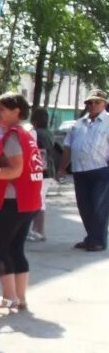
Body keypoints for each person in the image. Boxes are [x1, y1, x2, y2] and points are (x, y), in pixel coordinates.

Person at [0, 93, 44, 312]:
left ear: (16, 111)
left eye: (1, 110)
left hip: (12, 202)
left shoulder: (15, 136)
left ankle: (8, 297)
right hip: (28, 201)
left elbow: (14, 169)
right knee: (16, 248)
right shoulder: (25, 134)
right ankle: (20, 298)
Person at [58, 89, 109, 252]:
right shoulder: (78, 124)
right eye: (89, 102)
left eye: (97, 102)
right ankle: (91, 238)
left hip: (101, 171)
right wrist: (62, 168)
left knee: (99, 206)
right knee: (84, 207)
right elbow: (68, 147)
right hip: (80, 172)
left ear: (104, 104)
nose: (92, 105)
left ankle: (98, 241)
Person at [28, 107, 55, 241]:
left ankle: (39, 231)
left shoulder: (35, 133)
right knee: (40, 199)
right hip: (49, 170)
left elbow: (39, 153)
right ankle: (36, 230)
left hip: (40, 171)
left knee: (38, 200)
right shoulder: (49, 133)